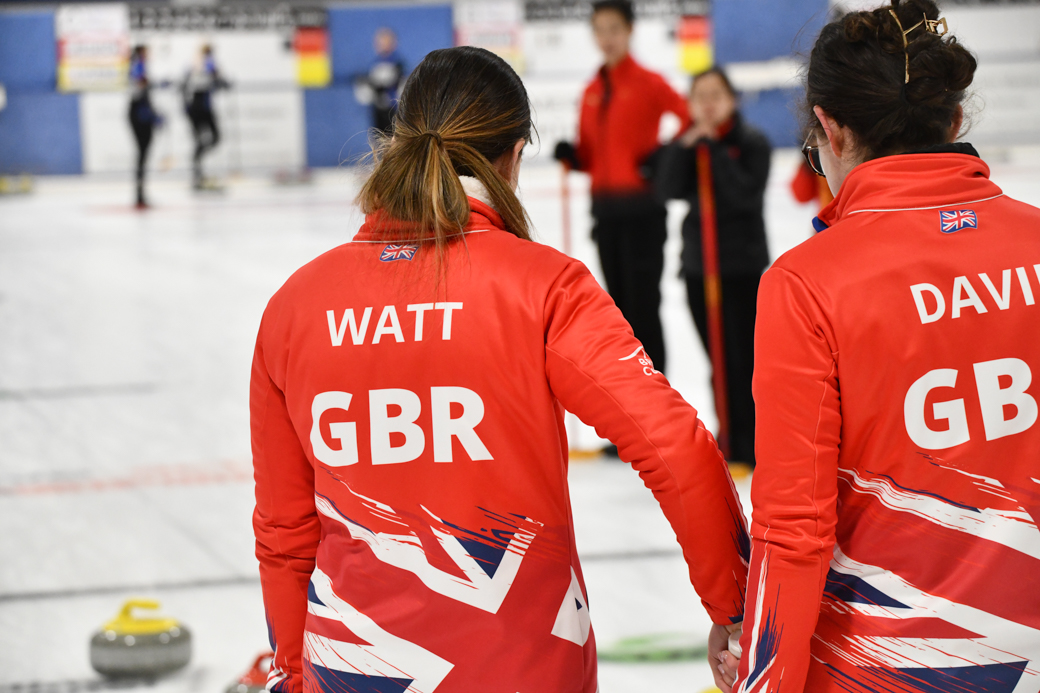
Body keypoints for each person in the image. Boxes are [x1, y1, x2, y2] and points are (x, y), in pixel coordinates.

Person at [251, 45, 748, 692]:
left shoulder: (294, 306)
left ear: (397, 143)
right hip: (525, 668)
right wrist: (736, 611)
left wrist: (292, 673)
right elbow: (675, 447)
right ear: (513, 157)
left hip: (352, 671)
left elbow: (284, 531)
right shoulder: (544, 286)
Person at [727, 1, 1040, 691]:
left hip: (889, 666)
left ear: (831, 130)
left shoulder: (806, 284)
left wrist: (763, 676)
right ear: (953, 121)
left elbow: (794, 529)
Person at [554, 0, 690, 375]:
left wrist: (664, 154)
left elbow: (691, 118)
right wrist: (572, 156)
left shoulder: (649, 82)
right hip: (606, 215)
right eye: (600, 29)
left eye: (614, 28)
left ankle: (657, 397)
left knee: (644, 308)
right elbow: (590, 156)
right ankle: (629, 398)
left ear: (630, 30)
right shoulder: (591, 90)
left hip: (643, 214)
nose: (607, 38)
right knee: (618, 313)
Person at [655, 67, 771, 465]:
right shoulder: (687, 143)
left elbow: (743, 196)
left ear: (731, 100)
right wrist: (686, 148)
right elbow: (666, 189)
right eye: (699, 96)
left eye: (715, 95)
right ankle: (728, 436)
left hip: (740, 268)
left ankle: (752, 439)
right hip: (699, 268)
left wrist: (715, 151)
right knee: (717, 359)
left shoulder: (751, 143)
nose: (707, 104)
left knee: (744, 360)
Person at [181, 44, 228, 190]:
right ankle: (197, 174)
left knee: (213, 139)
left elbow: (217, 80)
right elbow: (186, 84)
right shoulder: (201, 63)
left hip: (203, 107)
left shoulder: (203, 63)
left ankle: (198, 166)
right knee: (201, 140)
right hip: (198, 106)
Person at [128, 45, 162, 209]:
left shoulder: (138, 66)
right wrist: (152, 115)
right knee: (142, 153)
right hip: (139, 115)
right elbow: (139, 90)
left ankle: (140, 194)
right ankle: (139, 195)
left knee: (143, 154)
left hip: (140, 113)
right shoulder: (138, 65)